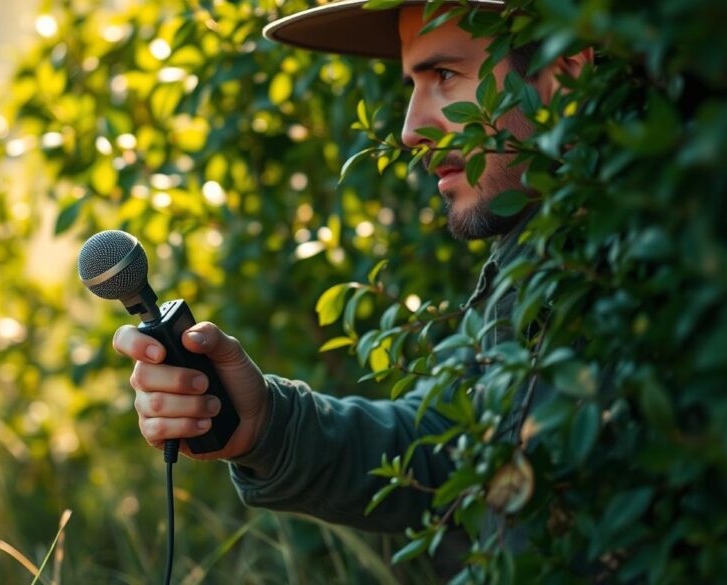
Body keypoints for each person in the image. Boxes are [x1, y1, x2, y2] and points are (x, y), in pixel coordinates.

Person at [112, 0, 592, 548]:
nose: (411, 129)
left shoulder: (667, 266)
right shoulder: (531, 250)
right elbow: (452, 450)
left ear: (569, 76)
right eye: (414, 82)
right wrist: (264, 425)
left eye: (445, 74)